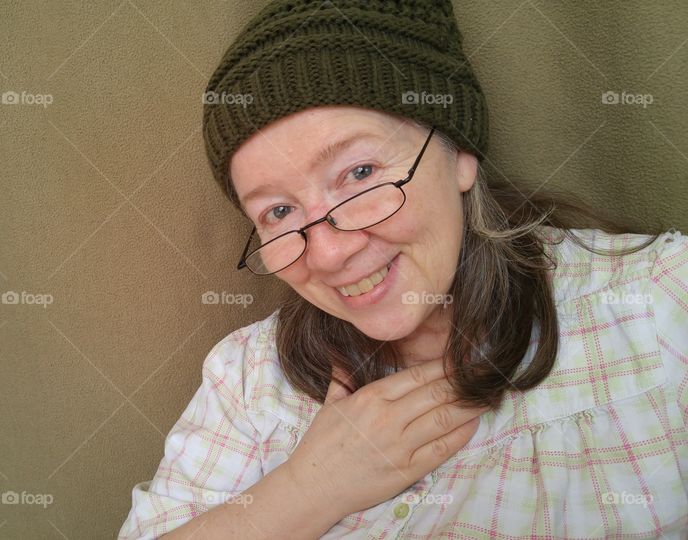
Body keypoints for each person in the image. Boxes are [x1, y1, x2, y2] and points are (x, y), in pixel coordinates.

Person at [118, 0, 688, 538]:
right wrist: (307, 489)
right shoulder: (247, 381)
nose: (330, 253)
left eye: (361, 173)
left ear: (459, 152)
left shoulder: (663, 304)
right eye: (280, 211)